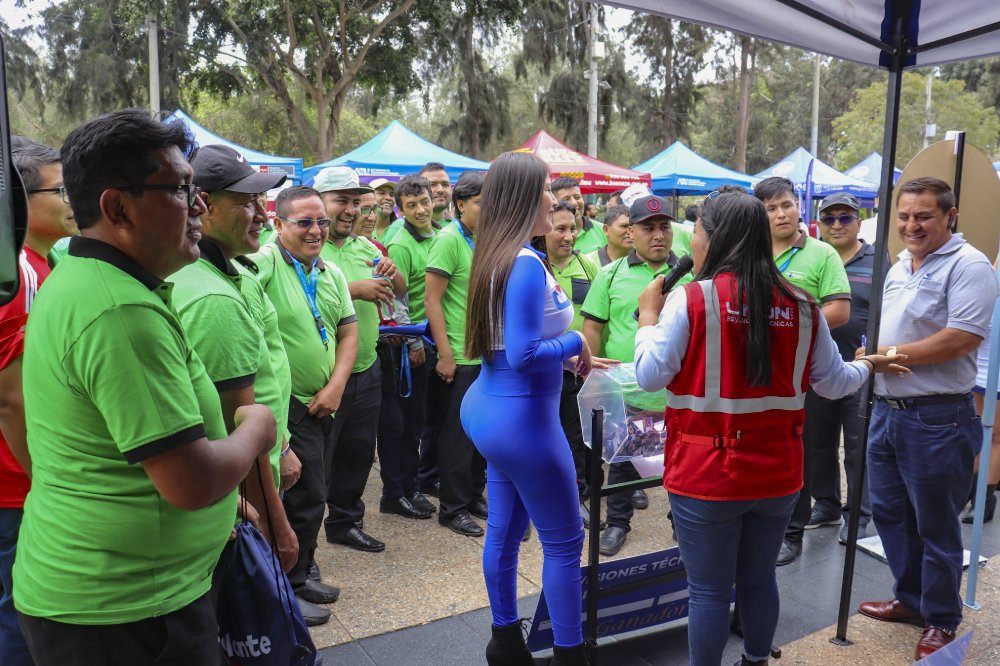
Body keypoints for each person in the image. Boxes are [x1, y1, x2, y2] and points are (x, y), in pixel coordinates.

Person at [14, 109, 275, 665]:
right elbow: (190, 482)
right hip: (124, 613)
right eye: (181, 189)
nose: (200, 206)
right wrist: (255, 429)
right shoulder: (119, 312)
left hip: (127, 597)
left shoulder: (97, 280)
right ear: (117, 207)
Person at [633, 191, 906, 666]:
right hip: (779, 475)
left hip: (707, 475)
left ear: (714, 239)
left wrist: (648, 318)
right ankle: (757, 659)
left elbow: (650, 375)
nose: (691, 240)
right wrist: (869, 367)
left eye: (695, 231)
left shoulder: (691, 299)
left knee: (709, 592)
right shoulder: (802, 305)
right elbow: (836, 381)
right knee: (759, 578)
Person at [858, 177, 999, 660]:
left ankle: (941, 618)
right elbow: (887, 335)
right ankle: (912, 598)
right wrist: (870, 352)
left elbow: (962, 337)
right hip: (887, 412)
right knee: (892, 515)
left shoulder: (969, 265)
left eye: (923, 216)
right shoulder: (900, 264)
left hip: (937, 417)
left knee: (935, 525)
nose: (911, 225)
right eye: (904, 216)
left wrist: (886, 353)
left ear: (950, 216)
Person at [462, 151, 594, 666]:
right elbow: (522, 354)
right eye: (544, 189)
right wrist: (576, 342)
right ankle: (569, 653)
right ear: (523, 198)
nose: (554, 198)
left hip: (495, 412)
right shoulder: (522, 263)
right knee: (564, 542)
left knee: (507, 530)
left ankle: (506, 643)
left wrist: (569, 355)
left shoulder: (500, 254)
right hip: (523, 422)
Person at [175, 144, 299, 572]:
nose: (263, 215)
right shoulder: (211, 296)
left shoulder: (229, 271)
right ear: (203, 206)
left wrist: (281, 444)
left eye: (261, 201)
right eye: (246, 203)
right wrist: (276, 524)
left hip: (257, 464)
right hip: (239, 487)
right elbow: (236, 420)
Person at [249, 185, 359, 625]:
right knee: (296, 496)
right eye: (304, 223)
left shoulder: (328, 272)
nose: (316, 231)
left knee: (315, 494)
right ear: (278, 225)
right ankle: (283, 590)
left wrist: (335, 386)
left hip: (324, 402)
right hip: (287, 404)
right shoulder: (262, 267)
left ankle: (298, 575)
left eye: (321, 222)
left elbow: (348, 331)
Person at [0, 137, 76, 666]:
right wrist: (44, 482)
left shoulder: (41, 263)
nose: (75, 199)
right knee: (18, 611)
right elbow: (12, 401)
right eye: (62, 189)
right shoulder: (20, 273)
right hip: (18, 483)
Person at [581, 194, 692, 557]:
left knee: (682, 463)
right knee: (624, 461)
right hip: (627, 391)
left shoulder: (693, 275)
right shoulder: (611, 274)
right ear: (632, 231)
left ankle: (682, 524)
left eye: (664, 227)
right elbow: (593, 330)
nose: (658, 235)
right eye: (648, 228)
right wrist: (593, 381)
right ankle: (617, 524)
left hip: (680, 392)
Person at [754, 176, 851, 565]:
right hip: (758, 372)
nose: (781, 214)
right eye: (771, 208)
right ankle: (763, 525)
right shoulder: (752, 252)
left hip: (801, 372)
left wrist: (785, 332)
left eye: (787, 205)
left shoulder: (821, 254)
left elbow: (840, 310)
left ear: (799, 207)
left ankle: (791, 533)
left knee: (799, 450)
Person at [314, 166, 405, 554]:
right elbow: (302, 295)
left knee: (357, 452)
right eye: (341, 201)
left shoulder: (366, 246)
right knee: (316, 461)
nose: (351, 210)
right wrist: (355, 289)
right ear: (320, 203)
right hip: (321, 376)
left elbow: (399, 292)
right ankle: (301, 549)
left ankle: (345, 523)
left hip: (366, 367)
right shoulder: (306, 243)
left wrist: (391, 272)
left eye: (355, 202)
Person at [809, 193, 887, 544]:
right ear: (820, 224)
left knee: (858, 446)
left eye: (844, 218)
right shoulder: (815, 257)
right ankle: (825, 503)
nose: (837, 225)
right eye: (829, 219)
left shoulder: (878, 260)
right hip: (817, 368)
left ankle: (859, 514)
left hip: (860, 370)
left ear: (859, 220)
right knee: (817, 443)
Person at [424, 171, 489, 537]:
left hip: (485, 355)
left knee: (481, 436)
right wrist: (445, 354)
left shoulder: (482, 239)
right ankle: (453, 507)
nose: (488, 208)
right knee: (458, 438)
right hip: (460, 357)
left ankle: (473, 494)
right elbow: (431, 300)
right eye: (480, 202)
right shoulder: (449, 239)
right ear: (460, 204)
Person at [378, 174, 439, 520]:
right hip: (407, 344)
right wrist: (414, 342)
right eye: (411, 205)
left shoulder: (439, 234)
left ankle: (412, 485)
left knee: (418, 421)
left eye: (424, 202)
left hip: (432, 339)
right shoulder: (401, 243)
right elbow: (397, 298)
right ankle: (396, 491)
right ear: (400, 210)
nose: (420, 209)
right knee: (401, 424)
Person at [543, 201, 605, 529]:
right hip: (541, 368)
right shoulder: (533, 267)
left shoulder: (587, 266)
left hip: (575, 372)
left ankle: (575, 499)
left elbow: (595, 321)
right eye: (560, 228)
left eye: (573, 228)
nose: (569, 236)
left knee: (573, 438)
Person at [552, 176, 607, 253]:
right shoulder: (547, 234)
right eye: (566, 199)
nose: (574, 203)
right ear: (554, 203)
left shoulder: (603, 230)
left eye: (577, 197)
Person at [370, 177, 397, 244]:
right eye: (382, 193)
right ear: (369, 197)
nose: (388, 198)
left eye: (392, 194)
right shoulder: (359, 228)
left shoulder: (400, 229)